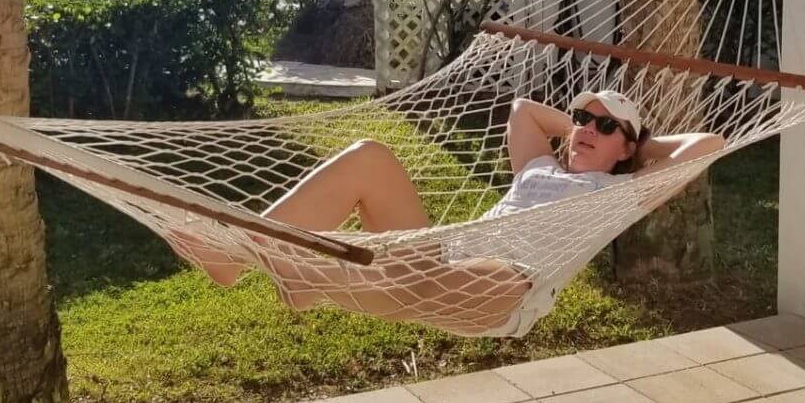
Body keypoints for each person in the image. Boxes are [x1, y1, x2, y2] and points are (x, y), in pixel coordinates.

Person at [173, 90, 724, 335]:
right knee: (371, 156)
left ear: (627, 150)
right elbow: (523, 112)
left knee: (435, 278)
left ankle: (302, 275)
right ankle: (242, 254)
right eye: (583, 117)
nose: (586, 129)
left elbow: (707, 144)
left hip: (509, 288)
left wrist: (637, 146)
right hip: (448, 253)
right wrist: (590, 128)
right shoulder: (537, 168)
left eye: (606, 128)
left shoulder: (616, 193)